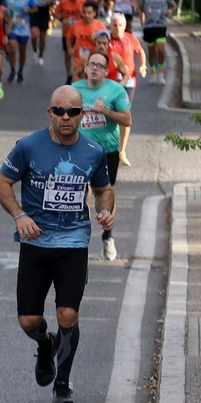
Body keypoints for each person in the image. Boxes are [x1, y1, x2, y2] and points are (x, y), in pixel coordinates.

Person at [0, 86, 115, 403]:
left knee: (68, 313)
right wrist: (19, 215)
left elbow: (104, 189)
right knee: (28, 320)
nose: (65, 118)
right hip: (36, 241)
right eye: (59, 111)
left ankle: (62, 383)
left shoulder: (93, 151)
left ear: (81, 116)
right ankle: (45, 344)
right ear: (50, 112)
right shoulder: (29, 146)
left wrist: (105, 210)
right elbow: (2, 183)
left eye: (72, 113)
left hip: (74, 242)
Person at [71, 50, 133, 261]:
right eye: (92, 64)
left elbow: (127, 120)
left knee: (105, 193)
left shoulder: (116, 90)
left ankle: (108, 236)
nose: (95, 68)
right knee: (81, 192)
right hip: (80, 150)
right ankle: (80, 233)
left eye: (100, 65)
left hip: (107, 151)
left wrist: (106, 111)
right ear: (86, 68)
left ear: (106, 71)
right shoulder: (74, 90)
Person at [136, 0, 176, 85]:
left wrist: (169, 11)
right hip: (149, 26)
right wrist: (141, 17)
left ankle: (161, 73)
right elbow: (140, 7)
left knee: (160, 49)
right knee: (152, 52)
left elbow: (173, 5)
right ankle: (153, 73)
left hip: (161, 25)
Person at [3, 0, 37, 82]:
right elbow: (3, 10)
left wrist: (29, 11)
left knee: (22, 51)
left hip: (24, 28)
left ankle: (20, 70)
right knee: (12, 49)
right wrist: (6, 18)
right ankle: (13, 70)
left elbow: (35, 8)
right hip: (12, 28)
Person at [107, 13, 146, 101]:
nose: (118, 28)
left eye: (120, 25)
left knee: (125, 108)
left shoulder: (131, 38)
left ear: (124, 26)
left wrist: (143, 65)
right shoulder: (106, 40)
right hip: (111, 80)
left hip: (129, 79)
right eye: (115, 25)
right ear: (110, 26)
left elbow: (140, 51)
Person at [55, 0, 85, 80]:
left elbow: (88, 14)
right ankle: (69, 74)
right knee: (68, 55)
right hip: (67, 33)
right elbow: (56, 14)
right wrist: (62, 20)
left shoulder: (82, 2)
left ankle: (78, 73)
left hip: (79, 33)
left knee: (79, 54)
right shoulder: (64, 2)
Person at [29, 0, 55, 66]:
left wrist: (50, 1)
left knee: (42, 37)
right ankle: (35, 50)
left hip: (44, 15)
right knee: (34, 35)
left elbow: (54, 1)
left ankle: (41, 55)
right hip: (34, 15)